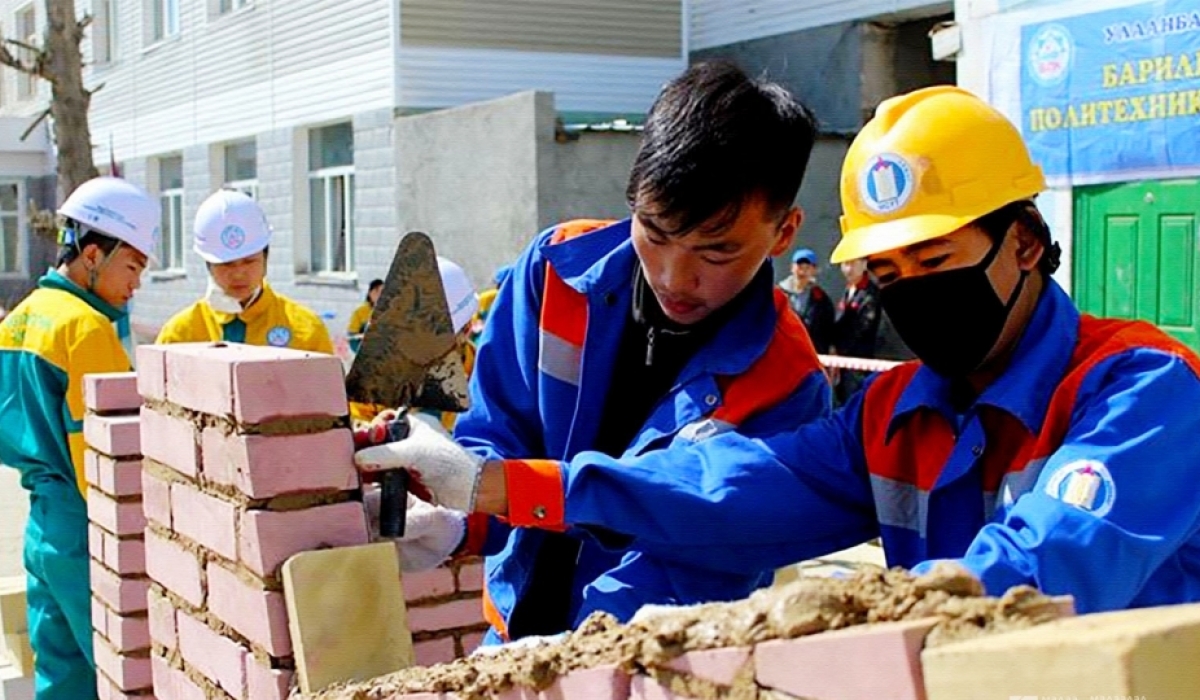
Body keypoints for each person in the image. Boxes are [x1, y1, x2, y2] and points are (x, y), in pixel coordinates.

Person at [354, 86, 1200, 618]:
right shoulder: (894, 412)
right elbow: (723, 489)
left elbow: (1043, 571)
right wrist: (490, 489)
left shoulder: (1139, 390)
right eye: (887, 272)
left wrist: (836, 633)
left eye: (934, 264)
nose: (911, 293)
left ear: (1023, 243)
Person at [355, 61, 830, 643]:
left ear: (783, 232)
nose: (675, 278)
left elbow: (701, 547)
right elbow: (500, 434)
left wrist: (576, 652)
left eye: (716, 253)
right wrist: (458, 519)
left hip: (641, 658)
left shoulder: (787, 382)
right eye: (654, 233)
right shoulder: (555, 270)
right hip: (510, 636)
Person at [0, 177, 160, 700]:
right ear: (93, 254)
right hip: (85, 525)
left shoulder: (19, 320)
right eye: (132, 266)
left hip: (41, 525)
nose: (136, 284)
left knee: (61, 677)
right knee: (119, 672)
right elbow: (102, 456)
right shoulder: (87, 329)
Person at [156, 190, 333, 353]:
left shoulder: (305, 329)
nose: (239, 273)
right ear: (208, 264)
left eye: (249, 261)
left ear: (265, 257)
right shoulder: (180, 335)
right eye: (227, 264)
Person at [778, 248, 834, 353]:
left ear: (814, 270)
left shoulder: (821, 299)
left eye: (807, 267)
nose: (802, 271)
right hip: (783, 353)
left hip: (811, 354)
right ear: (792, 268)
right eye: (799, 266)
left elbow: (827, 330)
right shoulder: (778, 294)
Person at [348, 279, 384, 354]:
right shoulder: (360, 312)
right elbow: (352, 338)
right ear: (370, 293)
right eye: (376, 291)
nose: (379, 295)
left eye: (382, 292)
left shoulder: (390, 312)